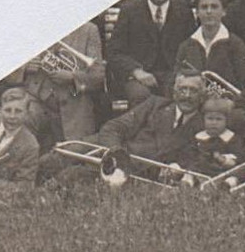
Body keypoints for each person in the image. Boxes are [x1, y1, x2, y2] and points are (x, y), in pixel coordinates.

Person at [34, 68, 208, 184]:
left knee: (69, 178)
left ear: (202, 96)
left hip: (135, 174)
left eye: (193, 91)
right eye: (182, 89)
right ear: (174, 91)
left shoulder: (206, 126)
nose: (187, 96)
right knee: (53, 160)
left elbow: (198, 162)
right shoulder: (156, 104)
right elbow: (113, 127)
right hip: (111, 149)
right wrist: (116, 154)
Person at [106, 0, 196, 105]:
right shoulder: (129, 10)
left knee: (177, 95)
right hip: (138, 76)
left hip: (172, 75)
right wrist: (136, 71)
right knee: (140, 96)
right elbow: (114, 52)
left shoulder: (183, 11)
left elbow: (191, 49)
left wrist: (180, 75)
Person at [19, 16, 106, 143]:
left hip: (74, 100)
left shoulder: (89, 30)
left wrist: (72, 77)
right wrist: (25, 66)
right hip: (37, 97)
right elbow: (9, 68)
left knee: (75, 149)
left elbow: (98, 77)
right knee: (21, 119)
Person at [174, 0, 245, 115]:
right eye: (204, 7)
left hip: (228, 109)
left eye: (214, 7)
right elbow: (175, 82)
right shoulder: (186, 46)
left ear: (224, 11)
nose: (209, 11)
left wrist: (235, 103)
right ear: (197, 12)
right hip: (194, 109)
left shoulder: (234, 44)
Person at [172, 94, 245, 177]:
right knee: (190, 173)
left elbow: (238, 157)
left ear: (227, 121)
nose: (214, 123)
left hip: (223, 171)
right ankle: (188, 183)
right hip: (200, 170)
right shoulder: (199, 137)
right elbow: (189, 154)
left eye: (218, 119)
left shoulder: (231, 138)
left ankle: (225, 186)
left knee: (235, 176)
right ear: (204, 119)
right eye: (210, 118)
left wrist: (223, 159)